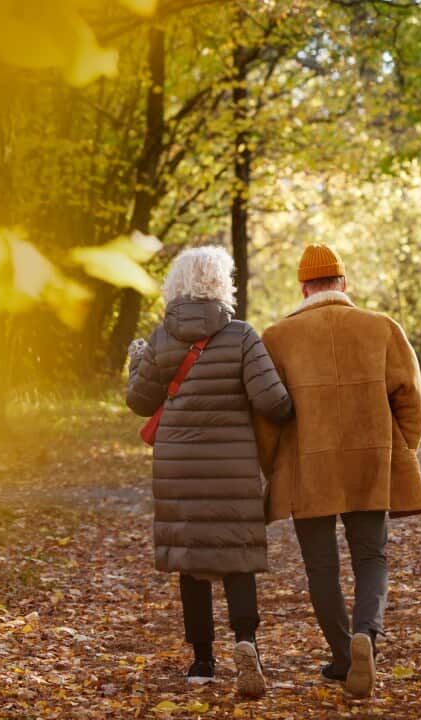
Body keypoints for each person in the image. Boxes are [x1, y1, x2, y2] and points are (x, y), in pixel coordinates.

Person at [257, 243, 421, 698]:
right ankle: (366, 636)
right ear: (343, 284)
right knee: (371, 556)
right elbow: (412, 397)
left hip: (305, 468)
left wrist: (271, 465)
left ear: (303, 287)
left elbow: (265, 415)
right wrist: (399, 449)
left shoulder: (276, 338)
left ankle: (340, 654)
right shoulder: (382, 328)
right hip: (370, 462)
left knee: (321, 567)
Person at [125, 246, 293, 698]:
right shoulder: (241, 336)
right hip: (232, 466)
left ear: (176, 285)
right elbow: (274, 403)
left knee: (191, 559)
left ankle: (201, 659)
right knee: (236, 555)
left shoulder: (162, 337)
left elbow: (140, 402)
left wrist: (136, 363)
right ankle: (246, 642)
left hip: (178, 466)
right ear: (223, 284)